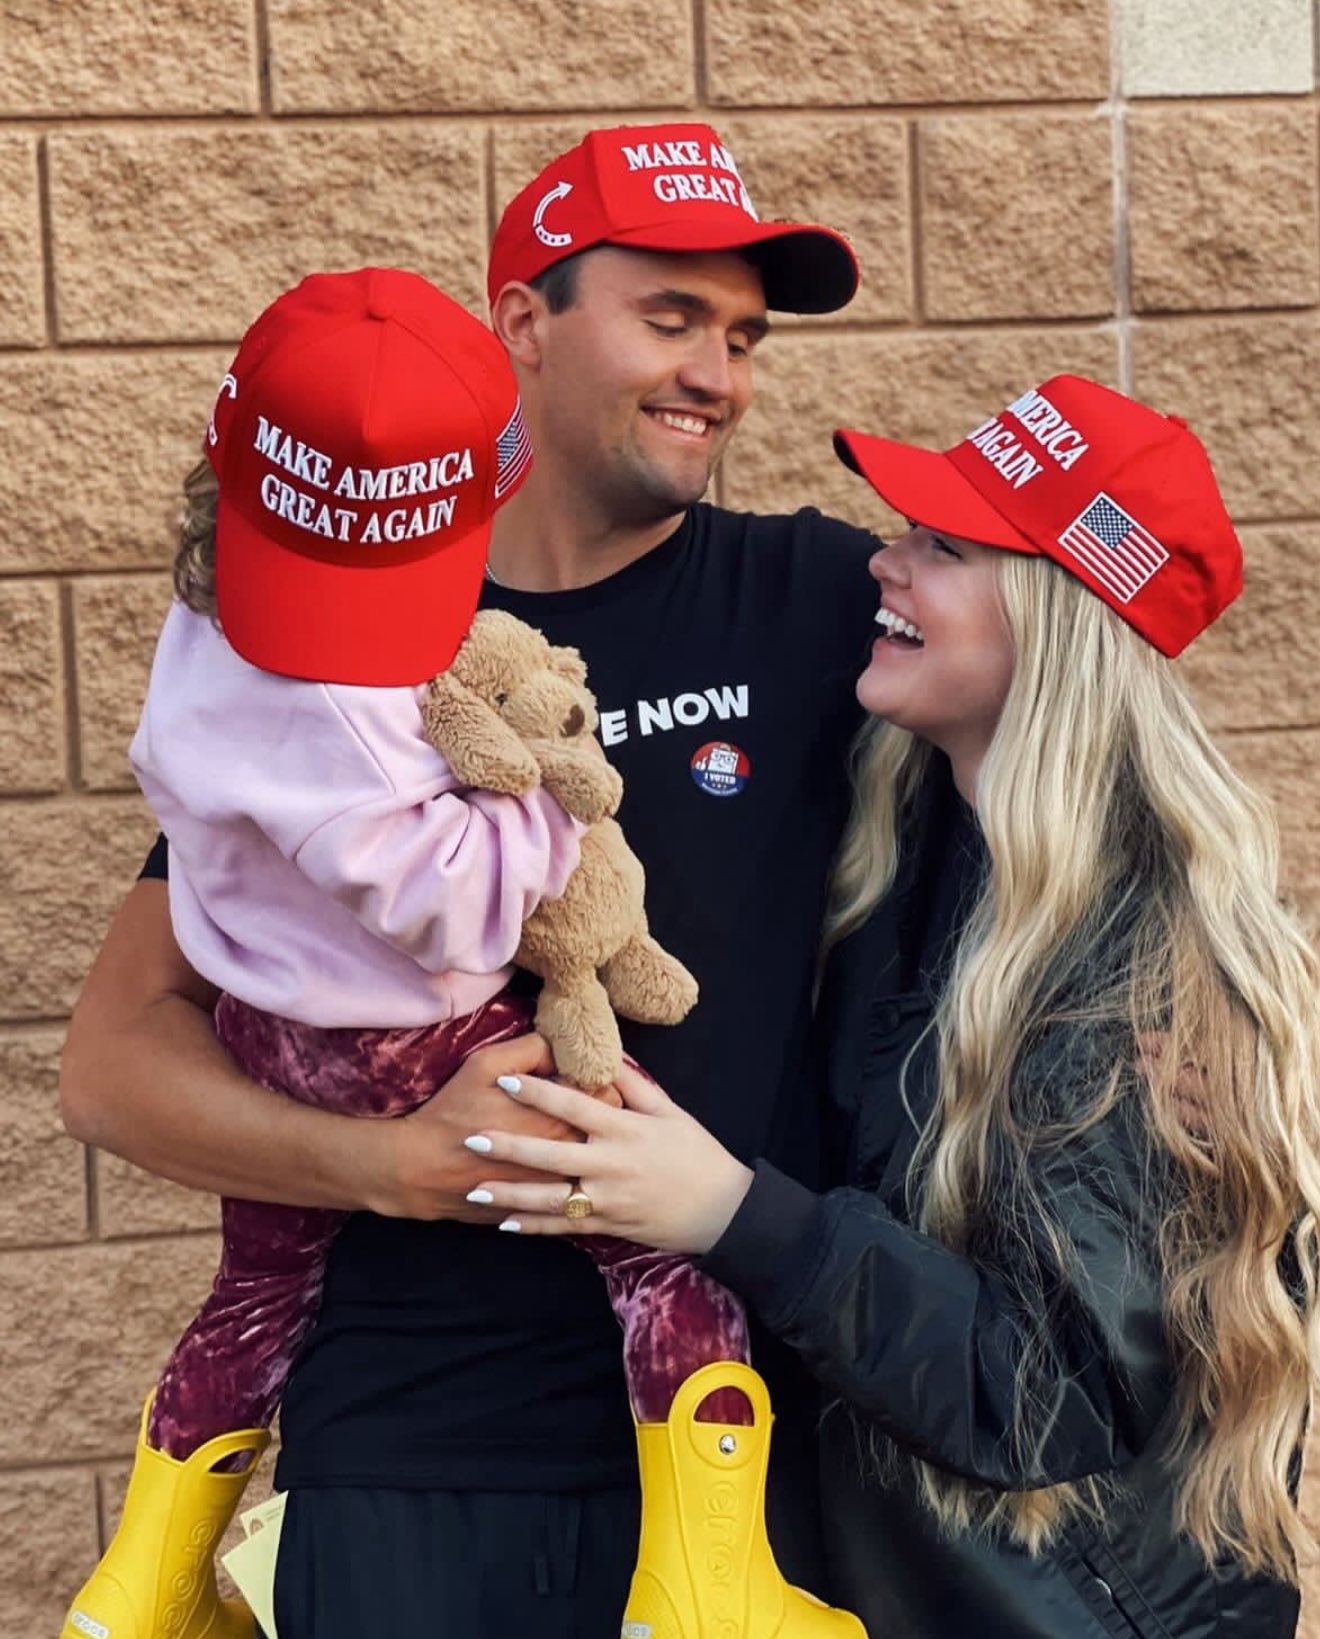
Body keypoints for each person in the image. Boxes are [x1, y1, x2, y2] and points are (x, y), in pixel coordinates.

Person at [60, 123, 879, 1636]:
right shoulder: (338, 637)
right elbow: (112, 1071)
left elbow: (1065, 723)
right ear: (523, 321)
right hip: (404, 1465)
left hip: (728, 1466)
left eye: (744, 336)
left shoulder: (815, 597)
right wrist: (389, 1162)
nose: (719, 373)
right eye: (672, 317)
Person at [467, 375, 1320, 1637]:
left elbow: (1045, 1393)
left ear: (1059, 621)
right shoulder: (920, 840)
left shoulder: (1138, 958)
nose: (887, 561)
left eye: (947, 548)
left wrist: (727, 1209)